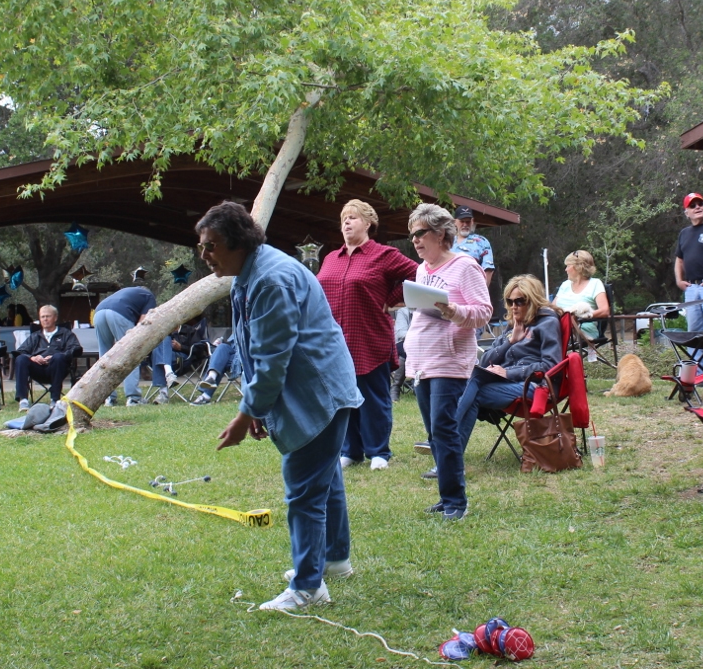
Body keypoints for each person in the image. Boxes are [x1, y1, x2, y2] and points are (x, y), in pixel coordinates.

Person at [204, 202, 363, 612]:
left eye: (211, 246)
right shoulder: (251, 273)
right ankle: (334, 560)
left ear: (238, 242)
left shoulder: (270, 279)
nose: (205, 255)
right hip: (320, 387)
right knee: (324, 477)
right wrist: (258, 409)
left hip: (319, 392)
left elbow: (273, 359)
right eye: (201, 246)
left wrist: (245, 413)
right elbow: (257, 351)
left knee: (304, 490)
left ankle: (308, 587)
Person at [403, 203, 492, 519]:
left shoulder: (465, 266)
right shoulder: (422, 270)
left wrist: (454, 311)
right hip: (421, 361)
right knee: (433, 433)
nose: (415, 240)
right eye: (412, 234)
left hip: (450, 359)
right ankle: (446, 498)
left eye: (420, 233)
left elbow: (484, 311)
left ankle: (457, 502)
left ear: (441, 234)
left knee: (444, 428)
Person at [315, 200, 417, 472]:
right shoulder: (330, 259)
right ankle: (351, 450)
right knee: (342, 398)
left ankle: (379, 452)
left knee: (373, 398)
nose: (346, 222)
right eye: (344, 218)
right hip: (335, 343)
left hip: (369, 339)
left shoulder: (384, 255)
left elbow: (420, 274)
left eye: (353, 217)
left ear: (368, 223)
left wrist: (394, 298)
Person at [454, 275, 564, 450]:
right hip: (509, 384)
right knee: (474, 378)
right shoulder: (513, 325)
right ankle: (448, 453)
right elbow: (484, 360)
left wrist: (508, 373)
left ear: (532, 300)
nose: (514, 306)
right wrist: (510, 342)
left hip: (535, 385)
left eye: (520, 301)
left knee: (474, 390)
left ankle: (444, 442)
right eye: (510, 301)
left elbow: (551, 365)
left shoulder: (547, 322)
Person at [93, 285, 177, 406]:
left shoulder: (127, 293)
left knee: (105, 358)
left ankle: (107, 398)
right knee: (130, 355)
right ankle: (133, 398)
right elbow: (142, 324)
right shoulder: (149, 297)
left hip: (99, 312)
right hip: (120, 313)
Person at [674, 191, 703, 370]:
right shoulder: (684, 233)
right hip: (692, 288)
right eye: (692, 206)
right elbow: (679, 259)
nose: (697, 207)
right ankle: (700, 373)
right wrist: (679, 280)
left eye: (700, 204)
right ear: (686, 212)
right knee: (695, 332)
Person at [12, 305, 83, 410]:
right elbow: (20, 351)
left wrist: (58, 356)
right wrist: (32, 357)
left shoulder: (66, 334)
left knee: (58, 357)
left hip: (58, 368)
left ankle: (55, 399)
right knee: (21, 359)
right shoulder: (35, 336)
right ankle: (23, 400)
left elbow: (76, 349)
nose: (45, 319)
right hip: (38, 369)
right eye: (42, 317)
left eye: (48, 316)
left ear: (55, 318)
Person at [552, 250, 610, 357]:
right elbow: (552, 308)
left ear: (577, 267)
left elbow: (605, 310)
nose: (565, 269)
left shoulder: (595, 284)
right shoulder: (565, 285)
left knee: (568, 318)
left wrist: (581, 315)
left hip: (582, 329)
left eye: (568, 266)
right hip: (558, 326)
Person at [452, 205, 495, 287]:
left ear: (472, 221)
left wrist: (482, 292)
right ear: (455, 222)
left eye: (467, 221)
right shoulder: (447, 241)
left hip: (471, 287)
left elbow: (488, 269)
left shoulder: (481, 241)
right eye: (462, 221)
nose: (465, 224)